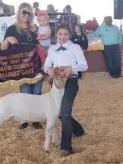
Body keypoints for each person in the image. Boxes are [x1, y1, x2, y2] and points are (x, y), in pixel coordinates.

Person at [44, 23, 88, 157]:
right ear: (56, 35)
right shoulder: (52, 48)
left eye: (66, 34)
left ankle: (66, 147)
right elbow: (46, 65)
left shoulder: (75, 47)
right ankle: (78, 130)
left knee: (65, 112)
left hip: (71, 81)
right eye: (60, 34)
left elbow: (84, 65)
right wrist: (49, 69)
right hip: (56, 83)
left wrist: (71, 68)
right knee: (58, 113)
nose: (63, 37)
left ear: (69, 35)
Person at [1, 2, 45, 130]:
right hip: (22, 68)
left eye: (29, 12)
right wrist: (7, 40)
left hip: (37, 66)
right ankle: (25, 119)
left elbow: (41, 47)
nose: (26, 15)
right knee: (25, 94)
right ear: (19, 13)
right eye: (24, 12)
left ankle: (36, 119)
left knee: (37, 93)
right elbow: (3, 49)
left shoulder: (34, 29)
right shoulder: (12, 29)